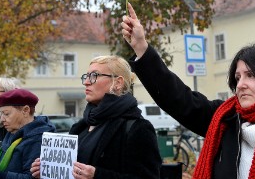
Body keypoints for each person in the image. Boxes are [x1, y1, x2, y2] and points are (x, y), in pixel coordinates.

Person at [121, 3, 255, 179]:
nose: (241, 84)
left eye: (250, 75)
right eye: (238, 77)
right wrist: (141, 47)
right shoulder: (225, 120)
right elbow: (178, 99)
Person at [30, 55, 161, 178]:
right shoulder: (80, 126)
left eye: (94, 76)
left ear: (118, 83)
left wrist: (97, 175)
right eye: (86, 76)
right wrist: (49, 171)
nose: (86, 82)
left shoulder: (137, 128)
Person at [0, 88, 56, 178]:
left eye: (6, 114)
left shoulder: (38, 140)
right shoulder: (13, 131)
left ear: (25, 110)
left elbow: (31, 177)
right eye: (1, 114)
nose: (2, 119)